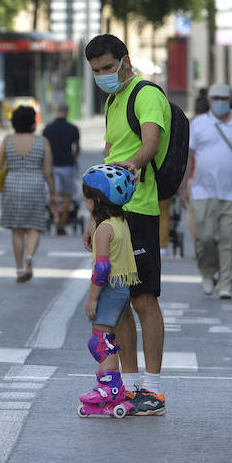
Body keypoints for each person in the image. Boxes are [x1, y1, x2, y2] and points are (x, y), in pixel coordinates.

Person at [84, 33, 169, 417]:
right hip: (113, 213)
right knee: (118, 304)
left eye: (107, 67)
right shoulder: (113, 100)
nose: (102, 75)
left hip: (140, 209)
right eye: (96, 70)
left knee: (144, 300)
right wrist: (95, 217)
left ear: (125, 61)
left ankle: (153, 390)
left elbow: (151, 141)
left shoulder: (145, 94)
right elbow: (108, 154)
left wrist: (133, 165)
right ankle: (131, 386)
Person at [179, 83, 232, 300]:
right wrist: (183, 188)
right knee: (204, 238)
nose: (220, 102)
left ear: (230, 99)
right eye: (215, 98)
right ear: (209, 100)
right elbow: (188, 157)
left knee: (229, 240)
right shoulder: (199, 124)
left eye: (224, 98)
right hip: (202, 191)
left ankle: (226, 282)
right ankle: (208, 272)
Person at [77, 165, 140, 417]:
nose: (85, 203)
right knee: (108, 340)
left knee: (99, 341)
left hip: (110, 287)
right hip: (122, 287)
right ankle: (112, 387)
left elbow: (102, 268)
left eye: (86, 199)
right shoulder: (120, 222)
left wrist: (92, 298)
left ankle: (109, 389)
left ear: (96, 200)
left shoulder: (104, 229)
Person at [0, 105, 53, 282]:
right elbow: (48, 171)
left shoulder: (7, 140)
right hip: (35, 185)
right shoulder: (42, 141)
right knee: (35, 227)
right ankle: (29, 255)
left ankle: (20, 267)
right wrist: (53, 193)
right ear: (32, 122)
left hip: (12, 185)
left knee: (17, 229)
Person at [43, 104, 82, 235]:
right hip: (67, 166)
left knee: (54, 194)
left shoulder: (48, 129)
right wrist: (74, 158)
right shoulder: (73, 128)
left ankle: (55, 217)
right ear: (67, 112)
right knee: (66, 196)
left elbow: (44, 148)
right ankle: (62, 224)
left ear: (57, 111)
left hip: (52, 166)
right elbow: (77, 148)